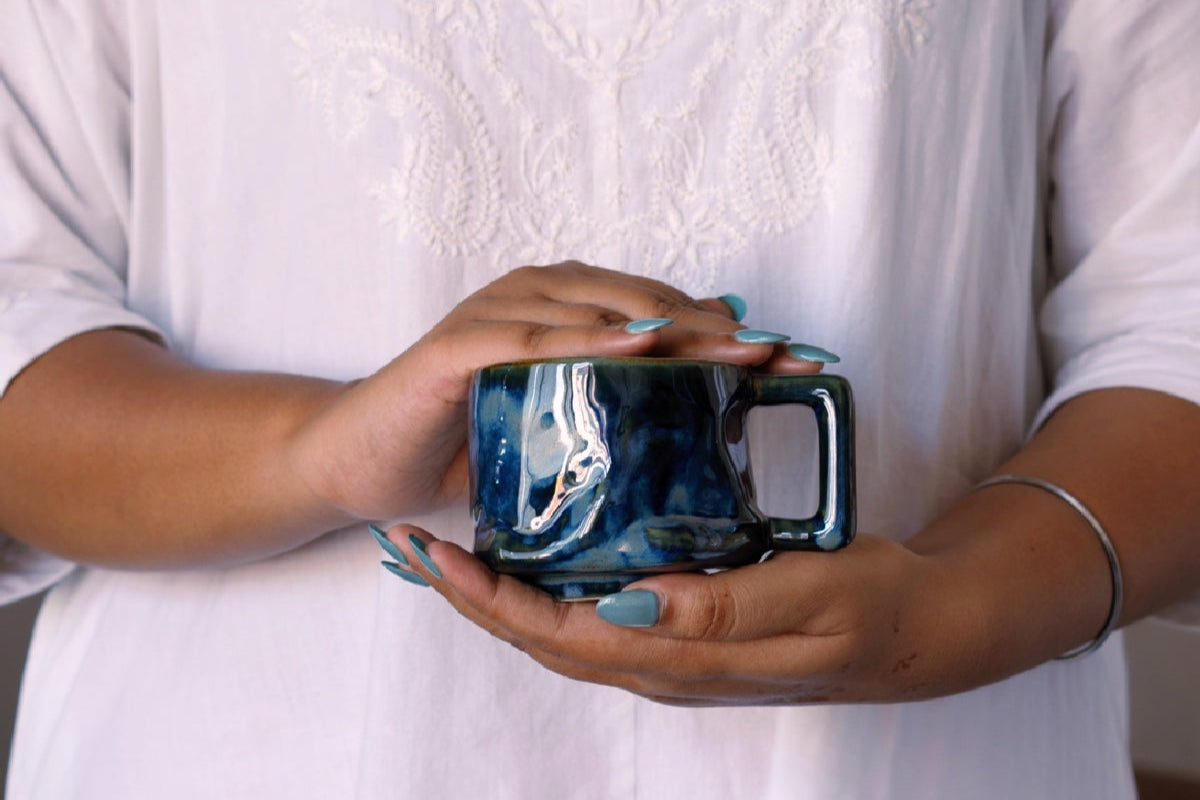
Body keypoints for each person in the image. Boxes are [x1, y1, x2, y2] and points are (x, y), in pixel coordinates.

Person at [1, 1, 1198, 797]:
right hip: (241, 751)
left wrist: (962, 600)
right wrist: (321, 450)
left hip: (917, 755)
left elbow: (1179, 305)